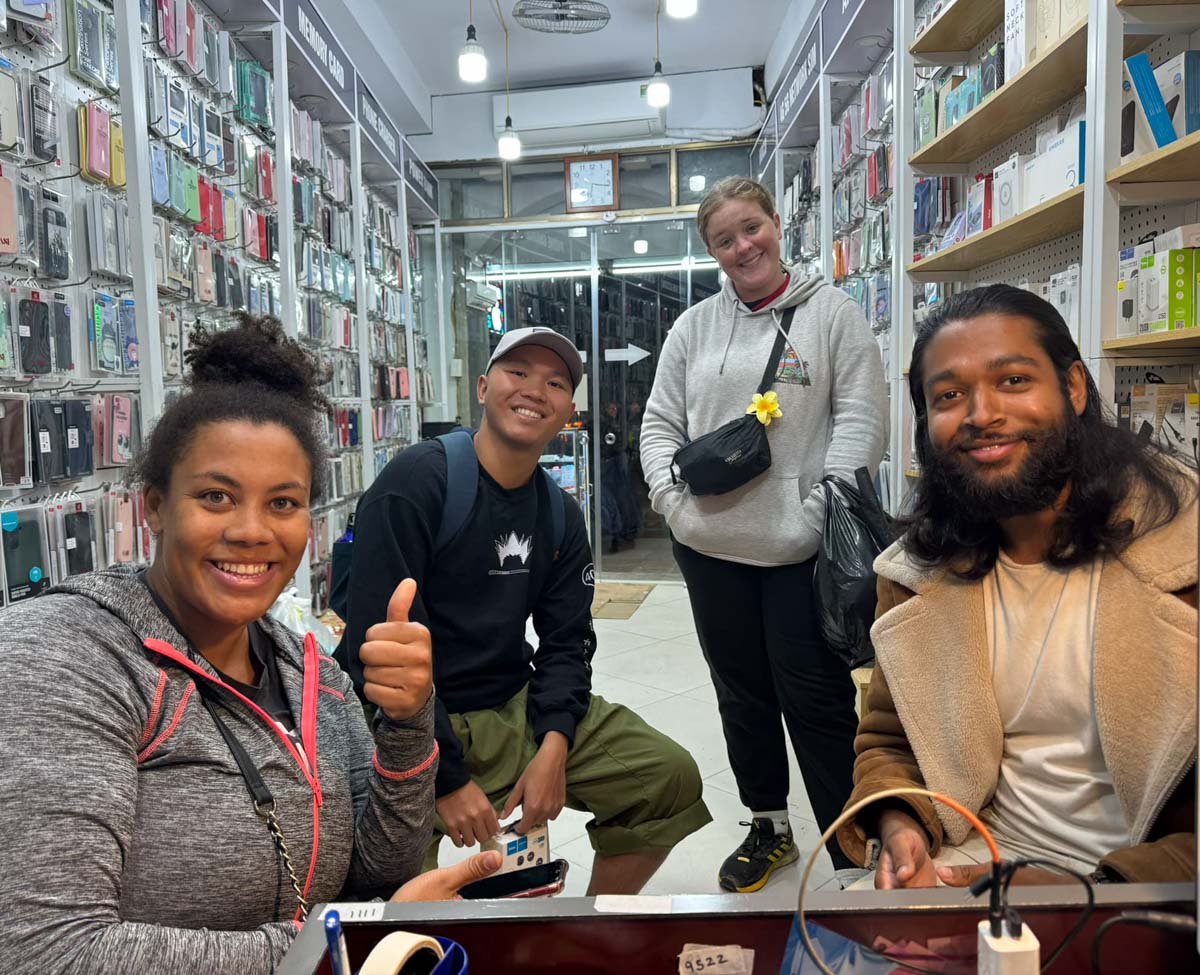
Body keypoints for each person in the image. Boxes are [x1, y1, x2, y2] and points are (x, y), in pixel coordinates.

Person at [0, 315, 499, 975]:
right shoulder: (66, 654)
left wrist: (408, 722)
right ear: (154, 505)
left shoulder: (310, 668)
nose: (251, 530)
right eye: (215, 496)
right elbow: (44, 951)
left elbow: (382, 869)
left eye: (283, 502)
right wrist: (335, 945)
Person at [836, 285, 1197, 889]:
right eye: (949, 395)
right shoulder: (917, 575)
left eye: (1012, 381)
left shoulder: (1182, 553)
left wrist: (1083, 894)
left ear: (1074, 388)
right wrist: (902, 827)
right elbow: (891, 742)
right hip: (969, 866)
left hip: (1149, 894)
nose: (981, 415)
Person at [341, 326, 711, 895]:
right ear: (484, 388)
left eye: (556, 382)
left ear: (568, 410)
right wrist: (446, 779)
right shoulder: (418, 482)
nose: (536, 390)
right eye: (519, 373)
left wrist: (555, 745)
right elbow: (374, 651)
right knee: (391, 884)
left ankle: (589, 928)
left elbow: (568, 642)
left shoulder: (560, 516)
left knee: (667, 776)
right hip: (407, 718)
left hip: (511, 704)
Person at [640, 176, 888, 892]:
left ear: (777, 224)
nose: (743, 245)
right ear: (712, 251)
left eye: (752, 228)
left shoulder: (833, 315)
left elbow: (861, 421)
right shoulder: (692, 329)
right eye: (725, 238)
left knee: (815, 697)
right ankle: (769, 824)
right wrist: (671, 501)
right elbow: (660, 425)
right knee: (740, 691)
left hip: (799, 553)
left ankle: (853, 845)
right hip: (708, 548)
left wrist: (818, 509)